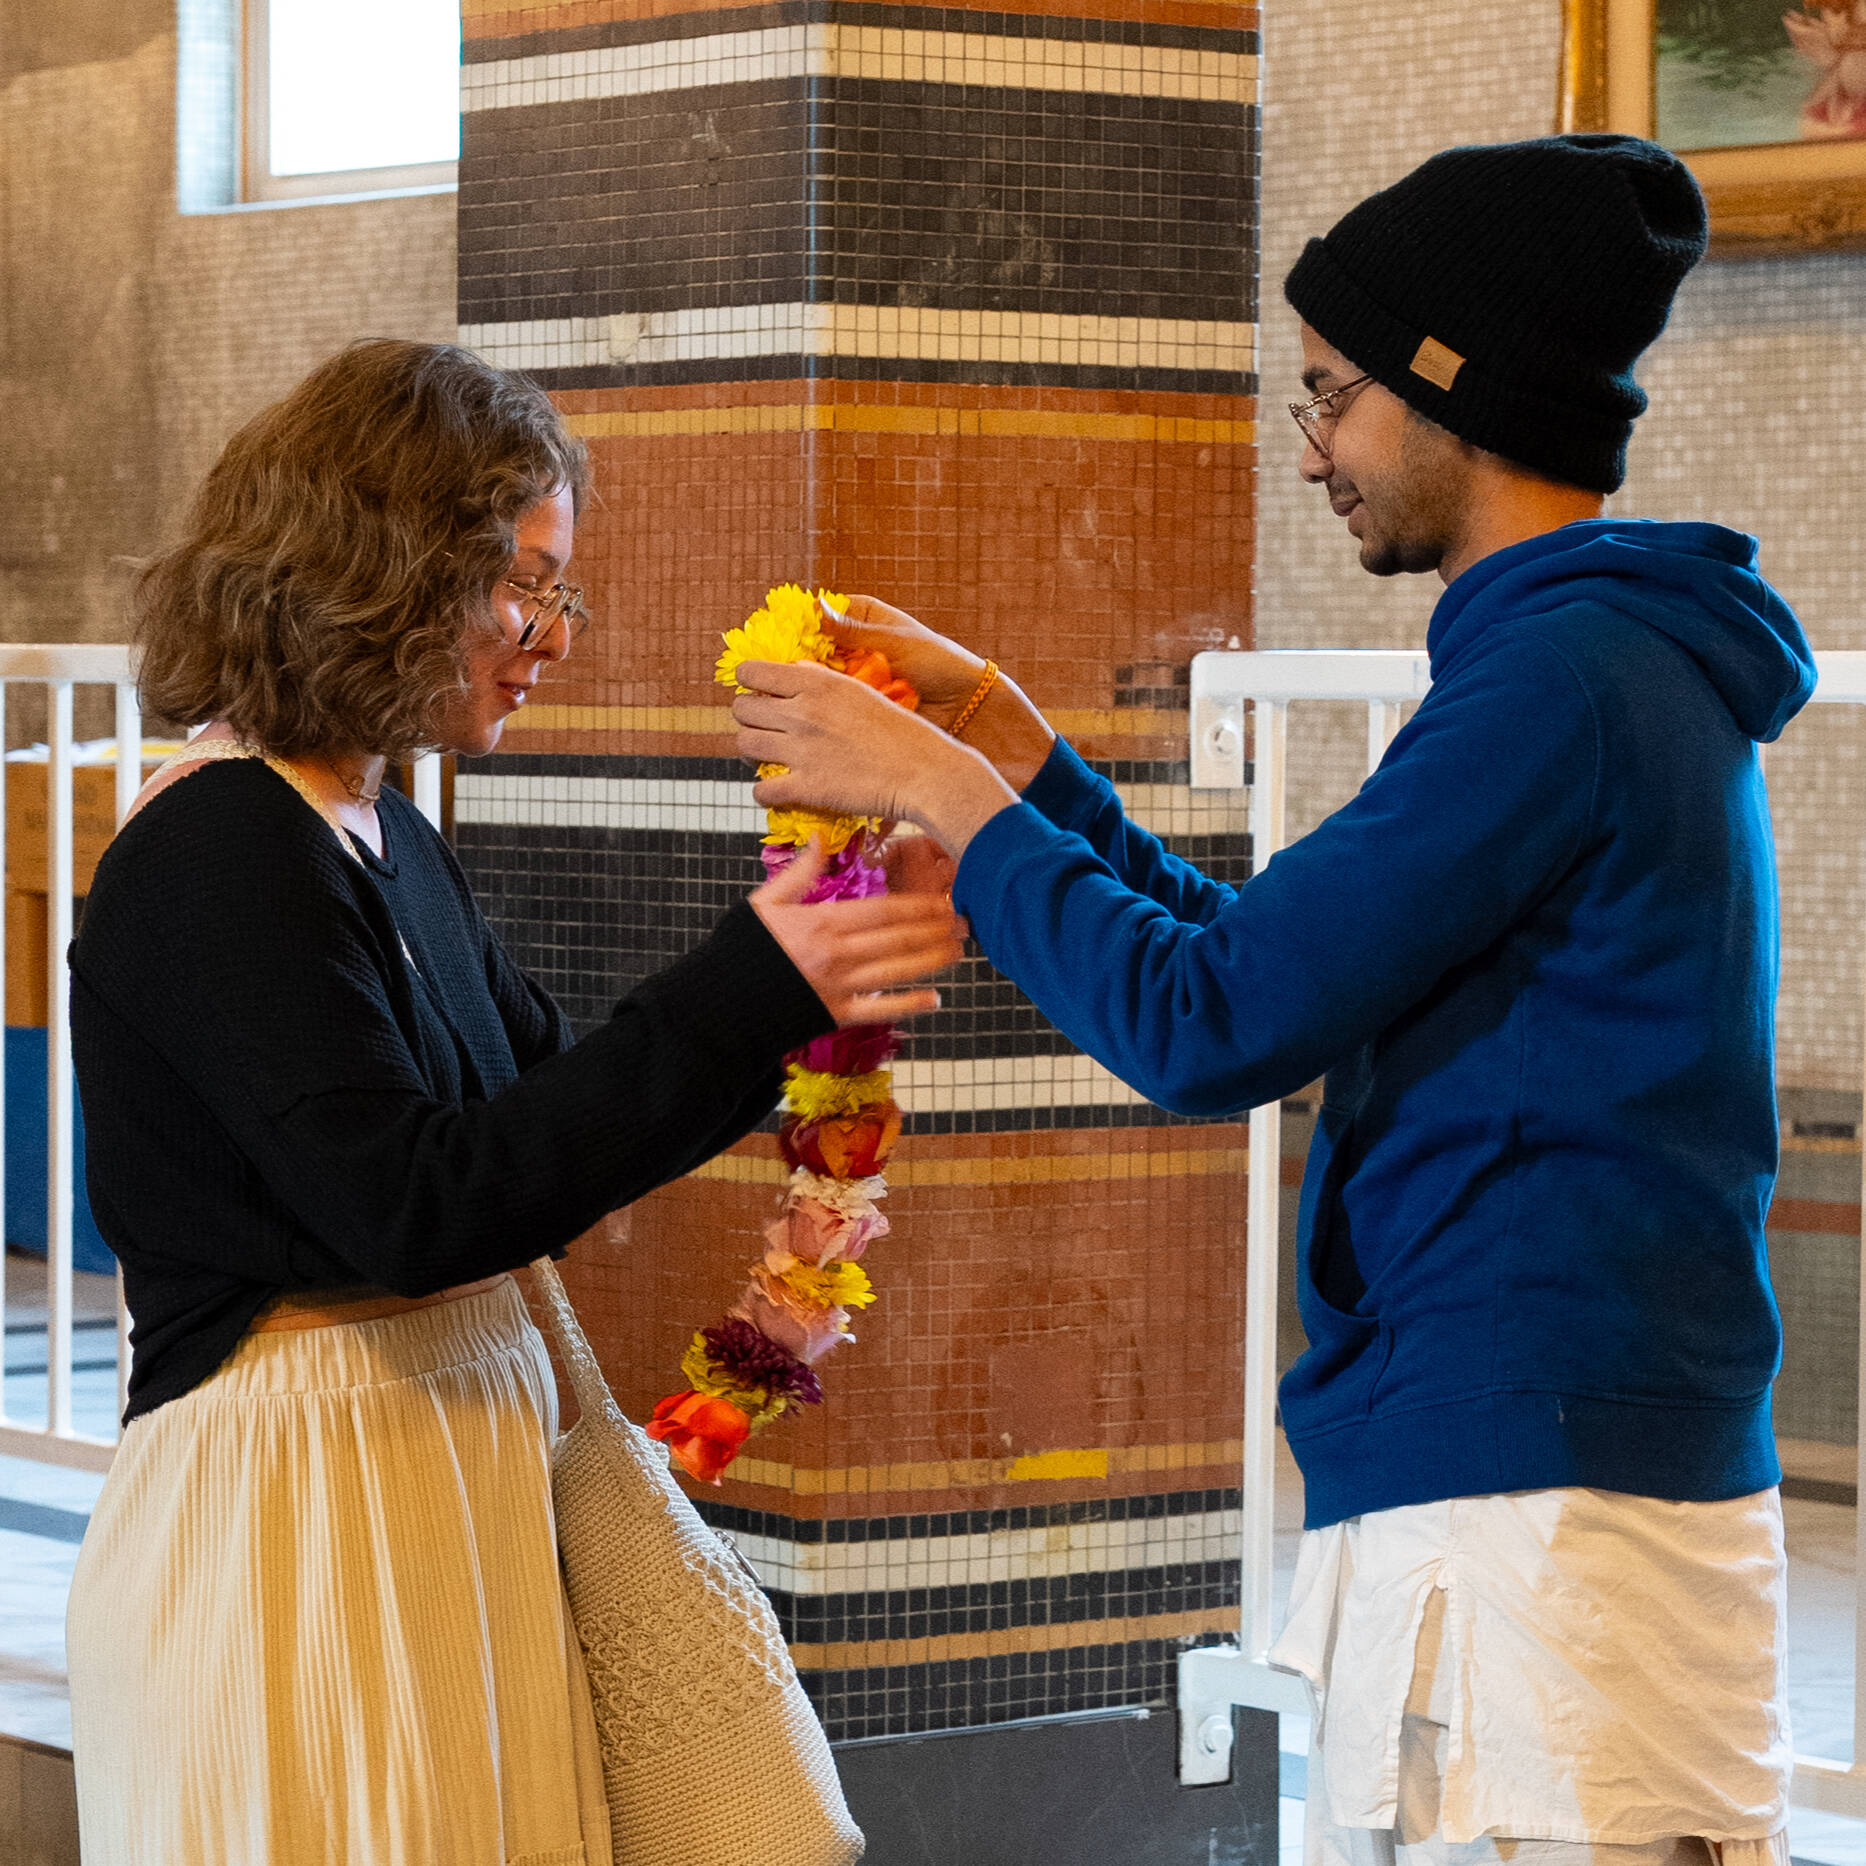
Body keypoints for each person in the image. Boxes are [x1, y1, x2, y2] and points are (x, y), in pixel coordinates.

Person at [730, 136, 1814, 1866]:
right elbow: (1270, 958)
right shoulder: (1581, 661)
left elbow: (1206, 1023)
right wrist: (1019, 753)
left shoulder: (1560, 679)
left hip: (1540, 1495)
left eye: (1329, 398)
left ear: (1452, 388)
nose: (1308, 449)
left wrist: (948, 794)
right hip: (1539, 1466)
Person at [63, 337, 964, 1866]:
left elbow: (548, 1116)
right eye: (526, 584)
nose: (549, 635)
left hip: (440, 1469)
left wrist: (799, 967)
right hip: (301, 1504)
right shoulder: (217, 844)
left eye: (564, 593)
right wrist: (754, 977)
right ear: (383, 564)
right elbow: (417, 1205)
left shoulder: (373, 827)